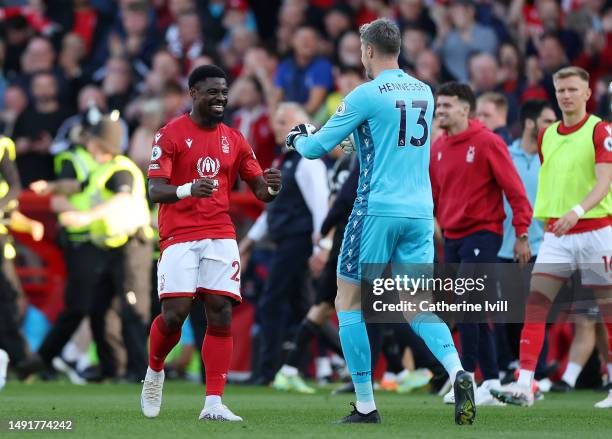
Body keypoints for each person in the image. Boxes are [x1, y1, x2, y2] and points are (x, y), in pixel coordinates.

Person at [286, 18, 474, 425]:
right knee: (417, 305)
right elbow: (389, 138)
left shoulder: (365, 94)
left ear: (368, 51)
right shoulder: (424, 91)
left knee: (348, 301)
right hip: (421, 212)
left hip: (376, 210)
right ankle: (458, 371)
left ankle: (366, 405)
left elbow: (317, 148)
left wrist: (298, 135)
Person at [140, 64, 282, 422]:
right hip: (179, 235)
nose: (220, 98)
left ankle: (213, 402)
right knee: (174, 315)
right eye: (212, 92)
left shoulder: (234, 139)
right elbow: (154, 189)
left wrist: (271, 187)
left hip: (220, 232)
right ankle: (155, 369)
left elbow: (259, 190)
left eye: (224, 91)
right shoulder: (169, 135)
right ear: (193, 94)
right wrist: (189, 188)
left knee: (220, 312)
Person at [491, 66, 612, 409]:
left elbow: (604, 182)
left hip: (597, 231)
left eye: (573, 89)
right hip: (558, 235)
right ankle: (525, 384)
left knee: (607, 311)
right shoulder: (547, 136)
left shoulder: (600, 130)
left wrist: (576, 209)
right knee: (535, 306)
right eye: (561, 90)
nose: (566, 96)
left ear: (587, 93)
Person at [430, 82, 532, 406]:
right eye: (438, 106)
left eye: (446, 105)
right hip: (452, 236)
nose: (440, 111)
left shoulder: (488, 142)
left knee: (466, 302)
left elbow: (515, 191)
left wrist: (522, 234)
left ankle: (467, 380)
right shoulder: (437, 148)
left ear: (465, 109)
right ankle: (490, 380)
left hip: (484, 234)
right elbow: (433, 195)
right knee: (475, 308)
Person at [239, 102, 329, 386]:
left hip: (298, 241)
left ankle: (266, 372)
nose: (275, 127)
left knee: (271, 302)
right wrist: (249, 242)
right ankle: (348, 361)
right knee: (308, 309)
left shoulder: (307, 160)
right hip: (286, 239)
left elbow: (320, 207)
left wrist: (321, 248)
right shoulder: (284, 160)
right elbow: (273, 209)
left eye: (282, 122)